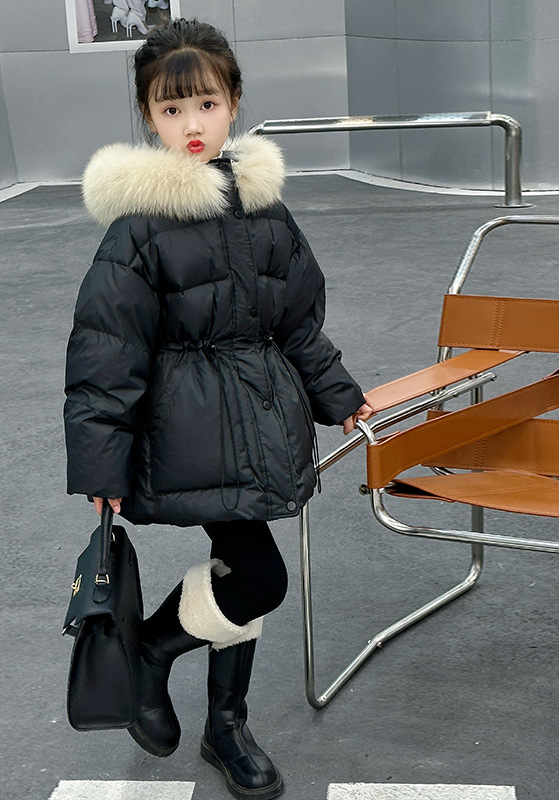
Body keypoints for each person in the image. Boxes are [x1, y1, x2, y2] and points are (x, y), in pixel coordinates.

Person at [64, 18, 372, 800]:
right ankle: (152, 653)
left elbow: (296, 322)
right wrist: (101, 463)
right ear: (148, 117)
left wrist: (339, 395)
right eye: (171, 110)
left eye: (205, 103)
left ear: (234, 101)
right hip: (190, 433)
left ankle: (226, 725)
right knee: (258, 577)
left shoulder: (264, 209)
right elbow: (105, 353)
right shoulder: (139, 228)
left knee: (239, 567)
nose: (192, 124)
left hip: (261, 423)